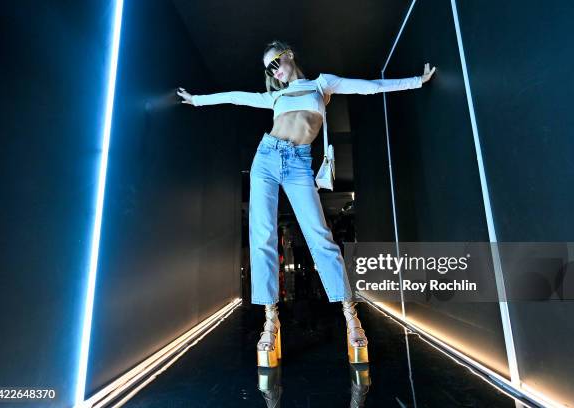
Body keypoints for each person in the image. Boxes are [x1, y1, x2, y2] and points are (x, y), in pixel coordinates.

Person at [177, 40, 436, 367]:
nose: (274, 71)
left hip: (299, 164)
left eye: (276, 62)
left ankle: (350, 317)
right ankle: (270, 320)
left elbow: (368, 88)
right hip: (266, 159)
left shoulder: (321, 84)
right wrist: (197, 100)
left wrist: (416, 81)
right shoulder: (276, 96)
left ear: (289, 55)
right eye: (268, 69)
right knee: (263, 239)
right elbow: (234, 96)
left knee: (320, 238)